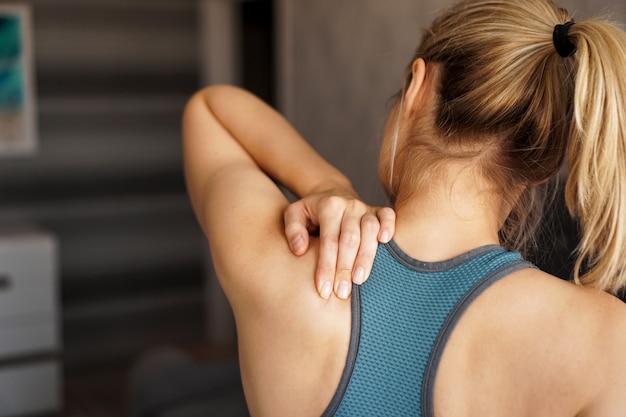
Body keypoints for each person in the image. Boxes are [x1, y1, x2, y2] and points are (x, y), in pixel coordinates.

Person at [182, 0, 626, 415]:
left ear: (416, 86)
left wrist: (324, 183)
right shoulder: (606, 342)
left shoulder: (287, 266)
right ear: (542, 168)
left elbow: (211, 108)